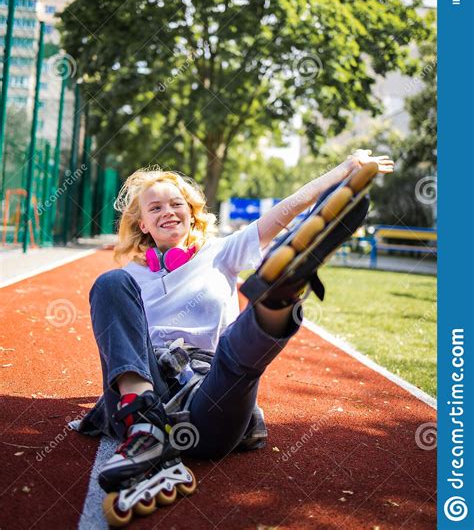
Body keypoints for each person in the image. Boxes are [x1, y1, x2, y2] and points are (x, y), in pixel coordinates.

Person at [78, 149, 393, 493]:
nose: (167, 212)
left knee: (233, 354)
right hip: (149, 395)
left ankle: (280, 293)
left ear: (192, 213)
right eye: (155, 208)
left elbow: (287, 207)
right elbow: (120, 348)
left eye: (176, 204)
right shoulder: (131, 277)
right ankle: (145, 428)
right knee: (109, 282)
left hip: (210, 397)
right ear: (143, 224)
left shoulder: (221, 252)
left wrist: (343, 169)